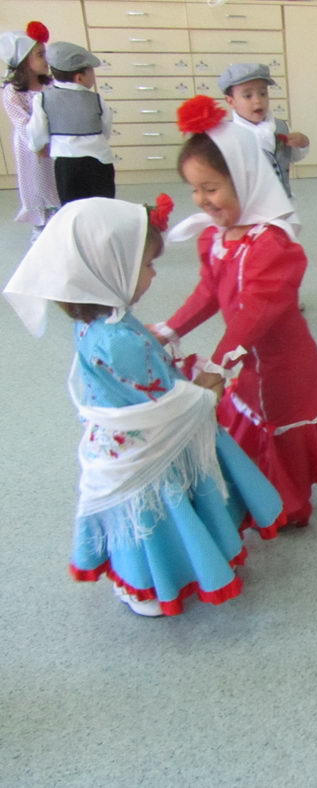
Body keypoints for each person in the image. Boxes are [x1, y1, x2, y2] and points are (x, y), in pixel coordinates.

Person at [2, 197, 285, 617]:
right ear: (109, 268)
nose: (154, 274)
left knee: (150, 518)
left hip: (123, 439)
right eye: (148, 265)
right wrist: (209, 389)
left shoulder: (101, 321)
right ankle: (151, 585)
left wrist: (157, 347)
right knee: (156, 517)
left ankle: (150, 578)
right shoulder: (120, 339)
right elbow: (165, 404)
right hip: (145, 446)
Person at [151, 95, 317, 530]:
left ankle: (288, 509)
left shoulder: (272, 246)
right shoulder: (217, 238)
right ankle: (260, 496)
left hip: (282, 368)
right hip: (246, 361)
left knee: (278, 430)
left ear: (246, 179)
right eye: (194, 189)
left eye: (212, 188)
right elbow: (210, 294)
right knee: (252, 429)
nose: (201, 200)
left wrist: (219, 365)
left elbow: (257, 311)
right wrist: (169, 328)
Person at [26, 41, 114, 204]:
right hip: (99, 162)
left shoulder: (43, 99)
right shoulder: (96, 99)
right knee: (104, 205)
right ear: (79, 77)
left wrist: (37, 147)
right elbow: (106, 127)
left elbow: (37, 130)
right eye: (91, 72)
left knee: (72, 207)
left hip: (67, 164)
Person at [1, 21, 60, 241]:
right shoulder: (12, 92)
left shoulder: (50, 85)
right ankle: (40, 221)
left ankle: (57, 212)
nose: (46, 60)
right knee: (35, 180)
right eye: (40, 55)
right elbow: (21, 122)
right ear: (25, 61)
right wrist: (38, 145)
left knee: (53, 178)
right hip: (30, 147)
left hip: (53, 142)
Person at [220, 62, 308, 198]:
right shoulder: (230, 135)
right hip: (249, 207)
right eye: (248, 96)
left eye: (263, 93)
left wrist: (302, 144)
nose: (258, 101)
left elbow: (291, 157)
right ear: (231, 101)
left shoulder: (281, 126)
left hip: (283, 200)